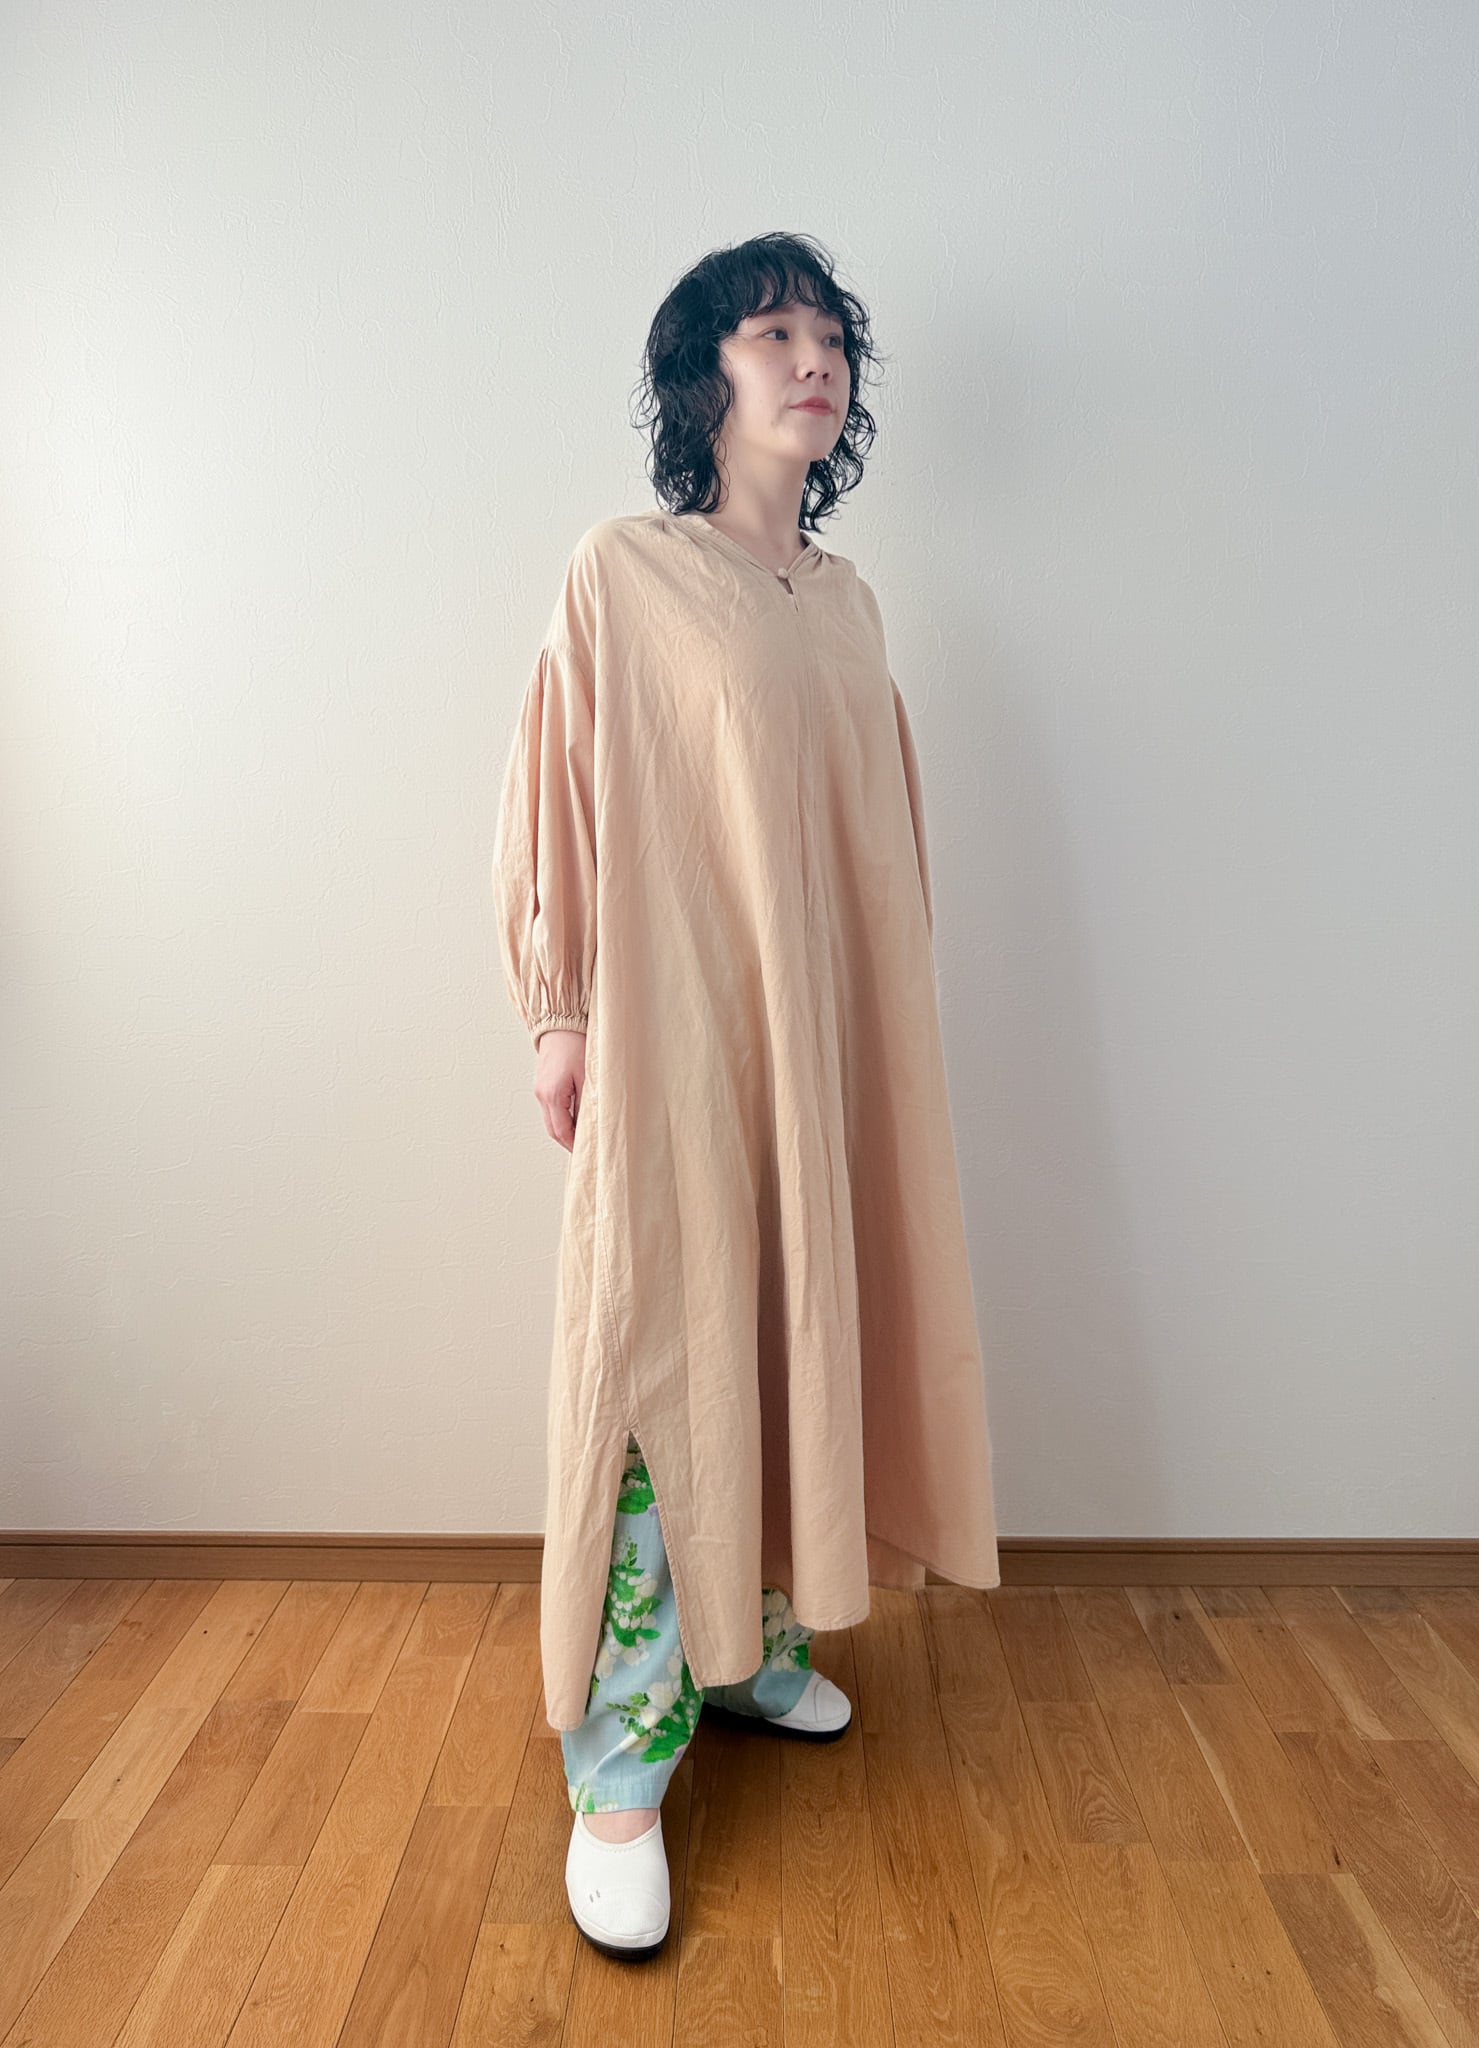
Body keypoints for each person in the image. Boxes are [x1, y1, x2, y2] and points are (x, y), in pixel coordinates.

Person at [492, 231, 1001, 1958]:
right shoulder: (628, 570)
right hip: (680, 1027)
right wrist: (558, 1008)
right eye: (772, 331)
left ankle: (748, 1648)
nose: (813, 359)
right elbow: (560, 777)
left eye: (831, 336)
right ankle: (620, 1767)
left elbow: (873, 838)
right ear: (703, 375)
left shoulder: (849, 604)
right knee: (663, 1337)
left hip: (826, 1036)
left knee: (790, 1323)